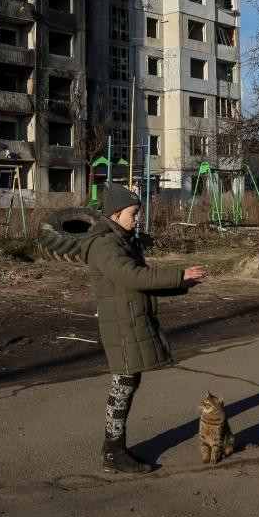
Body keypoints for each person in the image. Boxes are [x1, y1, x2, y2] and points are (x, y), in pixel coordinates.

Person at [81, 183, 206, 473]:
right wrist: (178, 275)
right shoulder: (105, 243)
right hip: (122, 323)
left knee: (127, 383)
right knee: (123, 386)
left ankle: (113, 448)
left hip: (130, 318)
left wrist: (180, 284)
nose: (138, 219)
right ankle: (113, 452)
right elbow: (133, 276)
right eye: (133, 213)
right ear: (115, 213)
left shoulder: (122, 240)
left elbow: (142, 281)